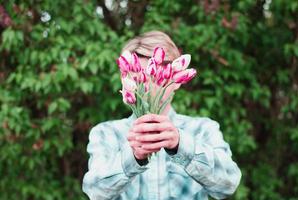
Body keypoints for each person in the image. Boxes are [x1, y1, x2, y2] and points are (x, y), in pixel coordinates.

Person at [82, 31, 242, 200]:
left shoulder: (203, 129)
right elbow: (95, 192)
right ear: (125, 79)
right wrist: (133, 157)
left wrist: (182, 145)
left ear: (177, 81)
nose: (146, 83)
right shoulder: (107, 133)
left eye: (154, 74)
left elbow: (228, 184)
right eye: (138, 75)